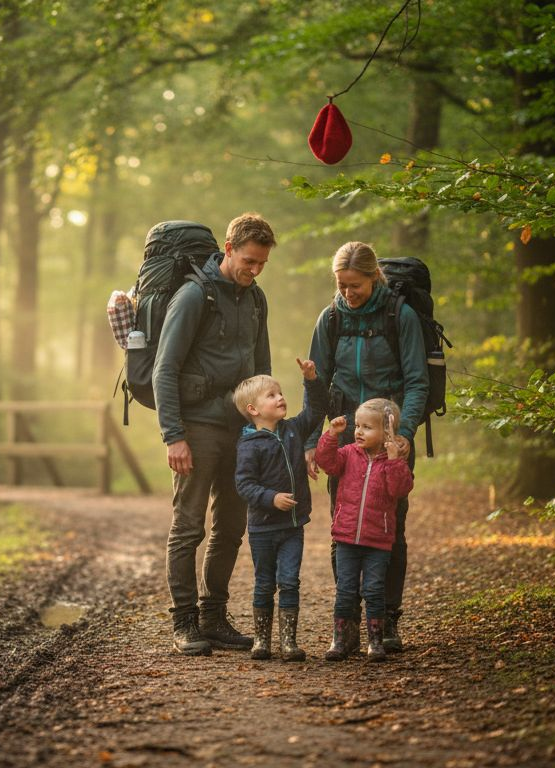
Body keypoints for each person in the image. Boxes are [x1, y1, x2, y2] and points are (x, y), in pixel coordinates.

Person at [154, 212, 276, 656]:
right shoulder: (193, 296)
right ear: (227, 249)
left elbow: (262, 369)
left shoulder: (257, 300)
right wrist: (174, 435)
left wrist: (266, 429)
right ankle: (184, 622)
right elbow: (164, 369)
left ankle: (213, 616)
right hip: (197, 426)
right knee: (188, 528)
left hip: (243, 430)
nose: (254, 270)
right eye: (248, 261)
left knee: (231, 527)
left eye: (262, 263)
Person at [303, 241, 428, 652]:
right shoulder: (332, 316)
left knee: (391, 529)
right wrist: (312, 440)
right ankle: (348, 622)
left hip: (390, 441)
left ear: (374, 278)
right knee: (344, 527)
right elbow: (316, 386)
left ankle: (386, 619)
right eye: (341, 284)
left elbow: (416, 381)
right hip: (347, 439)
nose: (347, 293)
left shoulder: (399, 315)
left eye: (355, 285)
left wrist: (404, 433)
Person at [232, 358, 328, 661]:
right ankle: (262, 640)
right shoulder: (249, 445)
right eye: (271, 395)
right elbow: (244, 484)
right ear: (253, 410)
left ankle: (289, 642)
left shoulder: (293, 430)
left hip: (292, 526)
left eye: (280, 392)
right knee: (264, 582)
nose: (280, 398)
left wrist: (311, 381)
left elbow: (315, 411)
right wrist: (270, 498)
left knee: (289, 581)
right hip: (262, 528)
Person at [314, 399, 413, 660]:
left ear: (387, 433)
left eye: (367, 427)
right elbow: (327, 463)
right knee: (345, 589)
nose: (358, 431)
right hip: (346, 538)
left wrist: (393, 461)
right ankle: (340, 639)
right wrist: (332, 435)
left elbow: (400, 490)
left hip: (377, 540)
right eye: (357, 426)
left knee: (373, 590)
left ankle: (375, 641)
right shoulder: (347, 453)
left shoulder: (393, 462)